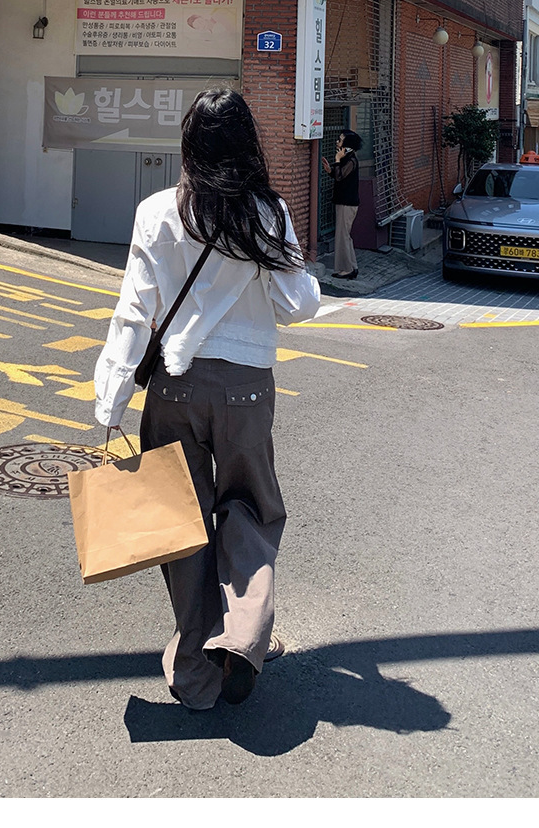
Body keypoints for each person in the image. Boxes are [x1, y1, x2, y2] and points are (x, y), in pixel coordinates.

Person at [94, 87, 321, 710]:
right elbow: (295, 305)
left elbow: (133, 311)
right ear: (247, 144)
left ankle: (195, 673)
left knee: (180, 520)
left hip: (174, 387)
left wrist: (111, 399)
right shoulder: (267, 213)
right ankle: (241, 637)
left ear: (189, 144)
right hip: (246, 387)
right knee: (249, 508)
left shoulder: (156, 212)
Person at [322, 129, 363, 279]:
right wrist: (329, 170)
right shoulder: (348, 159)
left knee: (343, 236)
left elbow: (340, 176)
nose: (337, 142)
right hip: (345, 202)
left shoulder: (351, 160)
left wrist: (337, 160)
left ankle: (346, 269)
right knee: (345, 236)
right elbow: (338, 175)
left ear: (347, 144)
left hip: (347, 203)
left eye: (340, 140)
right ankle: (352, 266)